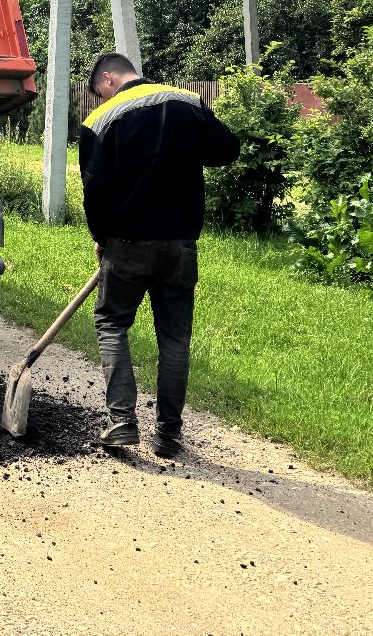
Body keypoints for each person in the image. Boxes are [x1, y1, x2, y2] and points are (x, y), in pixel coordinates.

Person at [79, 52, 241, 458]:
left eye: (99, 91)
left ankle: (121, 422)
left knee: (112, 322)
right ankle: (168, 434)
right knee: (174, 337)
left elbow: (93, 188)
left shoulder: (100, 120)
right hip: (181, 244)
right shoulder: (187, 102)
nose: (101, 99)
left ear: (109, 78)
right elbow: (227, 150)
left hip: (128, 244)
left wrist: (102, 237)